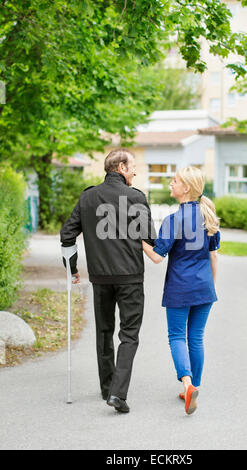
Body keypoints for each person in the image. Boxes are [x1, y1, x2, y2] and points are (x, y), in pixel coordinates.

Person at [60, 148, 155, 413]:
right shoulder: (136, 197)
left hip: (101, 278)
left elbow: (67, 234)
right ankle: (117, 393)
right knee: (129, 335)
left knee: (104, 332)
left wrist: (72, 268)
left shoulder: (88, 197)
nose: (135, 171)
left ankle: (107, 387)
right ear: (121, 167)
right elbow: (150, 237)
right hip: (131, 278)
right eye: (133, 166)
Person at [142, 166, 220, 415]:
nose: (170, 185)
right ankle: (194, 385)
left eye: (174, 181)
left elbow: (156, 257)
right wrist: (211, 287)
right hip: (204, 288)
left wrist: (138, 240)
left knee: (177, 337)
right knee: (196, 338)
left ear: (186, 187)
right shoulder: (208, 216)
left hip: (179, 288)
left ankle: (187, 386)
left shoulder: (173, 220)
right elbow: (214, 256)